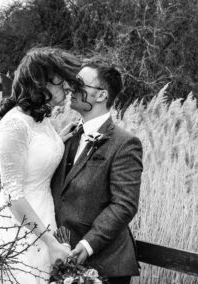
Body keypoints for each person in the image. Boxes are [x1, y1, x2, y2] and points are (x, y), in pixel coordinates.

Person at [0, 47, 83, 283]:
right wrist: (50, 243)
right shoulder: (14, 125)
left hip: (44, 215)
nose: (68, 88)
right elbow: (12, 197)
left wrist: (58, 141)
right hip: (18, 228)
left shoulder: (40, 119)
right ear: (40, 83)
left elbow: (34, 155)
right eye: (61, 83)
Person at [51, 62, 143, 284]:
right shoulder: (67, 135)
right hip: (61, 258)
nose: (72, 88)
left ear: (101, 95)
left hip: (105, 264)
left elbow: (124, 204)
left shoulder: (125, 143)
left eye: (79, 83)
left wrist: (88, 244)